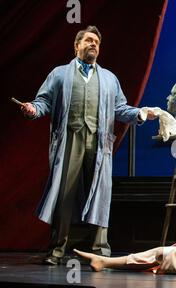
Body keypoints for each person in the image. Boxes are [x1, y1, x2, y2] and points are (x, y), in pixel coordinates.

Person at [20, 26, 156, 265]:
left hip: (98, 140)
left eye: (97, 42)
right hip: (69, 141)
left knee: (102, 193)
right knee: (65, 194)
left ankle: (100, 250)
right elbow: (43, 102)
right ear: (77, 45)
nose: (94, 44)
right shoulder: (60, 74)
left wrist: (141, 113)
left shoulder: (109, 78)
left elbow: (120, 109)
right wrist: (32, 109)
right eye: (89, 40)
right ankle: (57, 250)